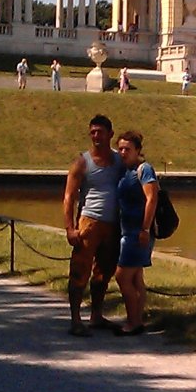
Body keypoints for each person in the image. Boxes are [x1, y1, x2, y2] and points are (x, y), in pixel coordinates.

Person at [62, 115, 125, 337]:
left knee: (103, 273)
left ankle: (96, 315)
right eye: (93, 132)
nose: (96, 136)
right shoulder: (82, 162)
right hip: (88, 222)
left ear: (111, 134)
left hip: (112, 224)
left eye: (100, 132)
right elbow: (69, 196)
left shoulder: (119, 161)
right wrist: (70, 228)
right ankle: (75, 319)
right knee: (80, 271)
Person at [112, 130, 159, 336]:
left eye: (127, 149)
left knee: (122, 276)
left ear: (138, 150)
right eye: (120, 148)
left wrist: (145, 228)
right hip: (126, 230)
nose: (123, 152)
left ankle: (132, 322)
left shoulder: (144, 169)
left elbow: (152, 198)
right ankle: (137, 320)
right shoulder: (124, 170)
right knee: (136, 279)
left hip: (138, 233)